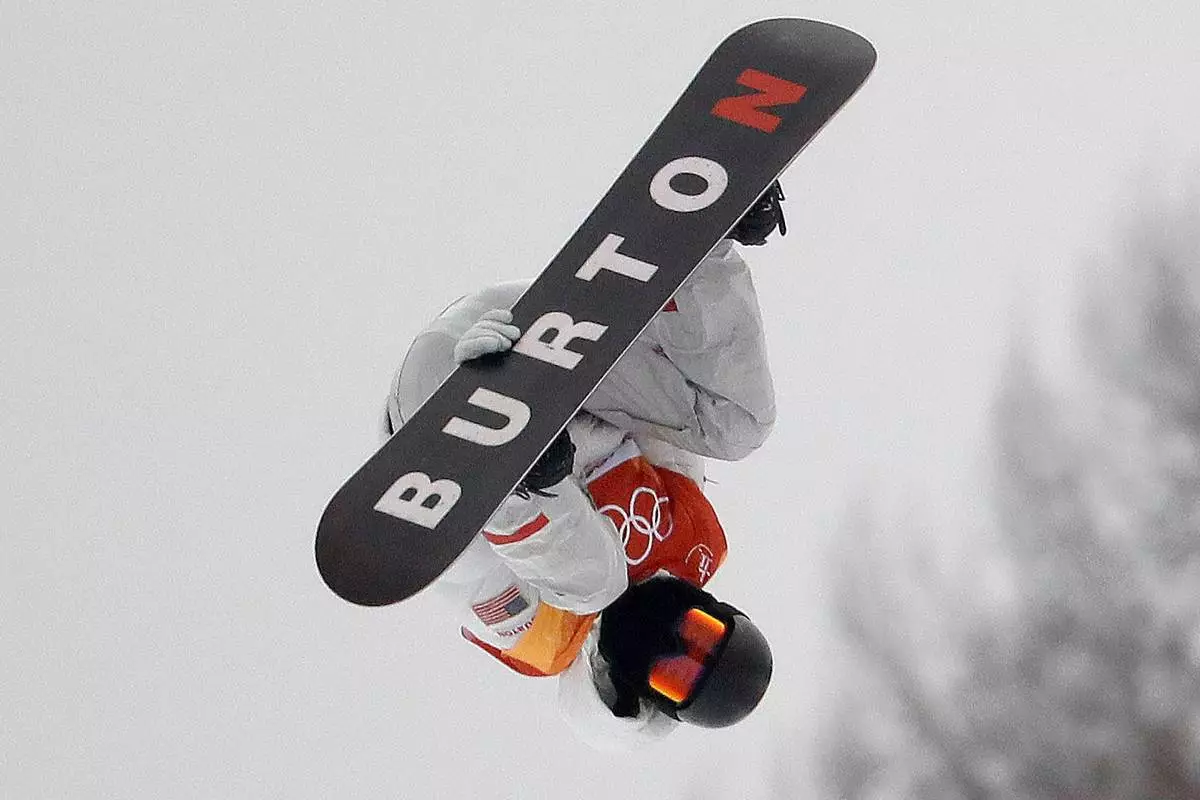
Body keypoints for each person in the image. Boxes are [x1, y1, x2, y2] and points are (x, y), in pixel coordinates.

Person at [382, 184, 786, 749]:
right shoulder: (692, 542)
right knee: (737, 426)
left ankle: (515, 467)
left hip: (434, 428)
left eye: (673, 670)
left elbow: (453, 564)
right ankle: (703, 246)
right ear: (715, 609)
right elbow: (668, 418)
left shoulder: (545, 643)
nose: (673, 641)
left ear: (635, 689)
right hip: (535, 341)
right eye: (700, 634)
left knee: (594, 583)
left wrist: (507, 464)